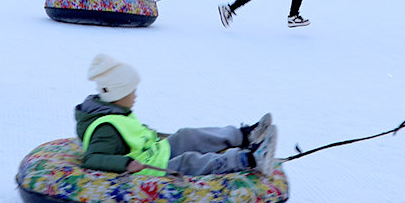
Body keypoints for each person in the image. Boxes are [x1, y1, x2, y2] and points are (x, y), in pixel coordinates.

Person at [74, 54, 277, 175]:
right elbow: (92, 158)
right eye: (131, 91)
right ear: (117, 93)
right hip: (147, 167)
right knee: (188, 161)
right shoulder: (105, 129)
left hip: (155, 151)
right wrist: (125, 164)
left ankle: (245, 135)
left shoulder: (115, 110)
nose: (135, 95)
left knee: (187, 135)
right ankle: (249, 159)